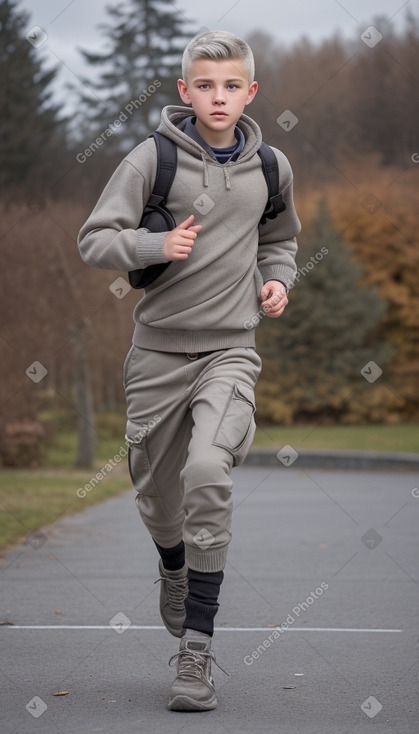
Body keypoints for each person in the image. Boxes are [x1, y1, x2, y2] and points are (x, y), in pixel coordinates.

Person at [77, 29, 301, 712]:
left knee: (208, 470)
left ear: (250, 92)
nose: (218, 97)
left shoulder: (271, 166)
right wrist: (154, 243)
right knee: (157, 498)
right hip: (157, 355)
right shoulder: (152, 159)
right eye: (205, 85)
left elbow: (280, 237)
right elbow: (94, 238)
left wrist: (277, 280)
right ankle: (173, 563)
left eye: (231, 85)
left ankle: (195, 653)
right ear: (184, 91)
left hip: (230, 349)